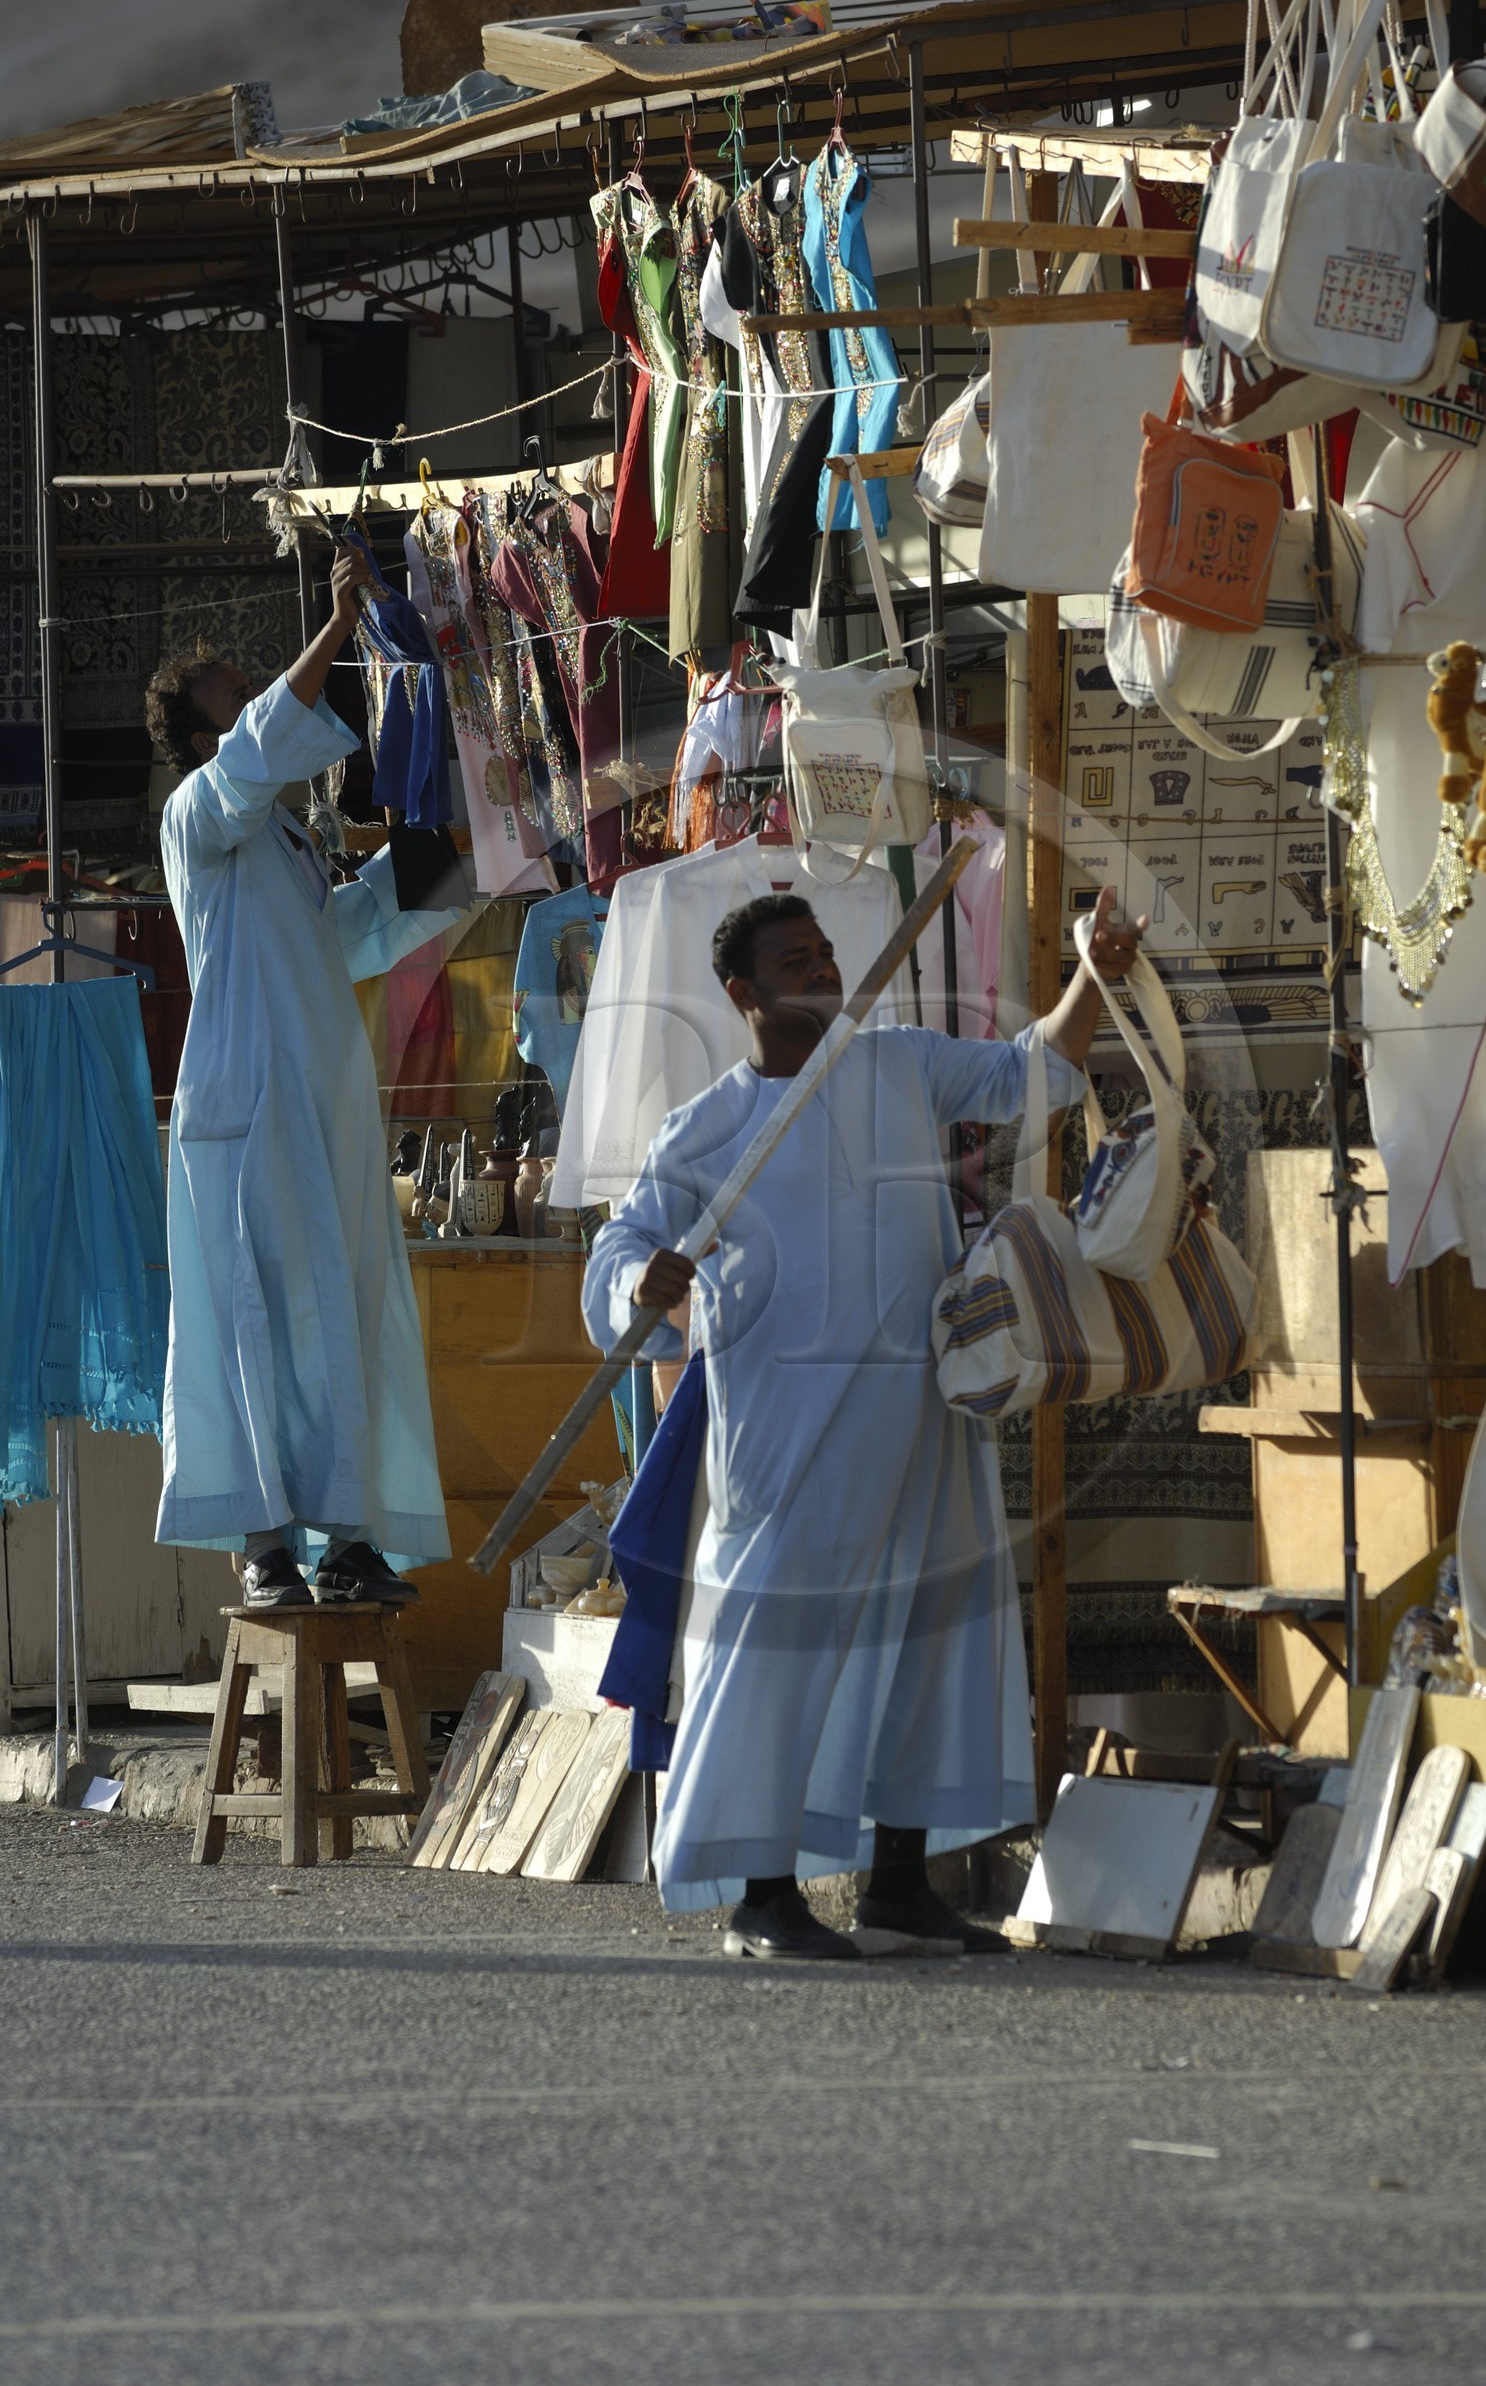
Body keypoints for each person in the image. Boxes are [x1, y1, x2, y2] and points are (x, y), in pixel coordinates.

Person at [582, 881, 1146, 1960]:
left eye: (825, 951)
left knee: (929, 1641)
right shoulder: (702, 1133)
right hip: (788, 1430)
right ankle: (763, 1893)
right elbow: (618, 1254)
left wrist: (1093, 976)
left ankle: (899, 1884)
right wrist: (637, 1286)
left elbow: (1032, 1069)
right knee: (777, 1646)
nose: (823, 969)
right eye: (795, 961)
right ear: (743, 994)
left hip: (923, 1411)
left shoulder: (900, 1065)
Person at [144, 545, 461, 1611]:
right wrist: (332, 629)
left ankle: (351, 1536)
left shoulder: (284, 840)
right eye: (232, 697)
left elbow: (351, 937)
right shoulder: (200, 816)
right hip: (244, 1105)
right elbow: (251, 753)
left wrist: (439, 856)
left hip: (320, 1105)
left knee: (344, 1307)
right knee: (254, 1318)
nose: (256, 695)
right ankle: (265, 1545)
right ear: (203, 736)